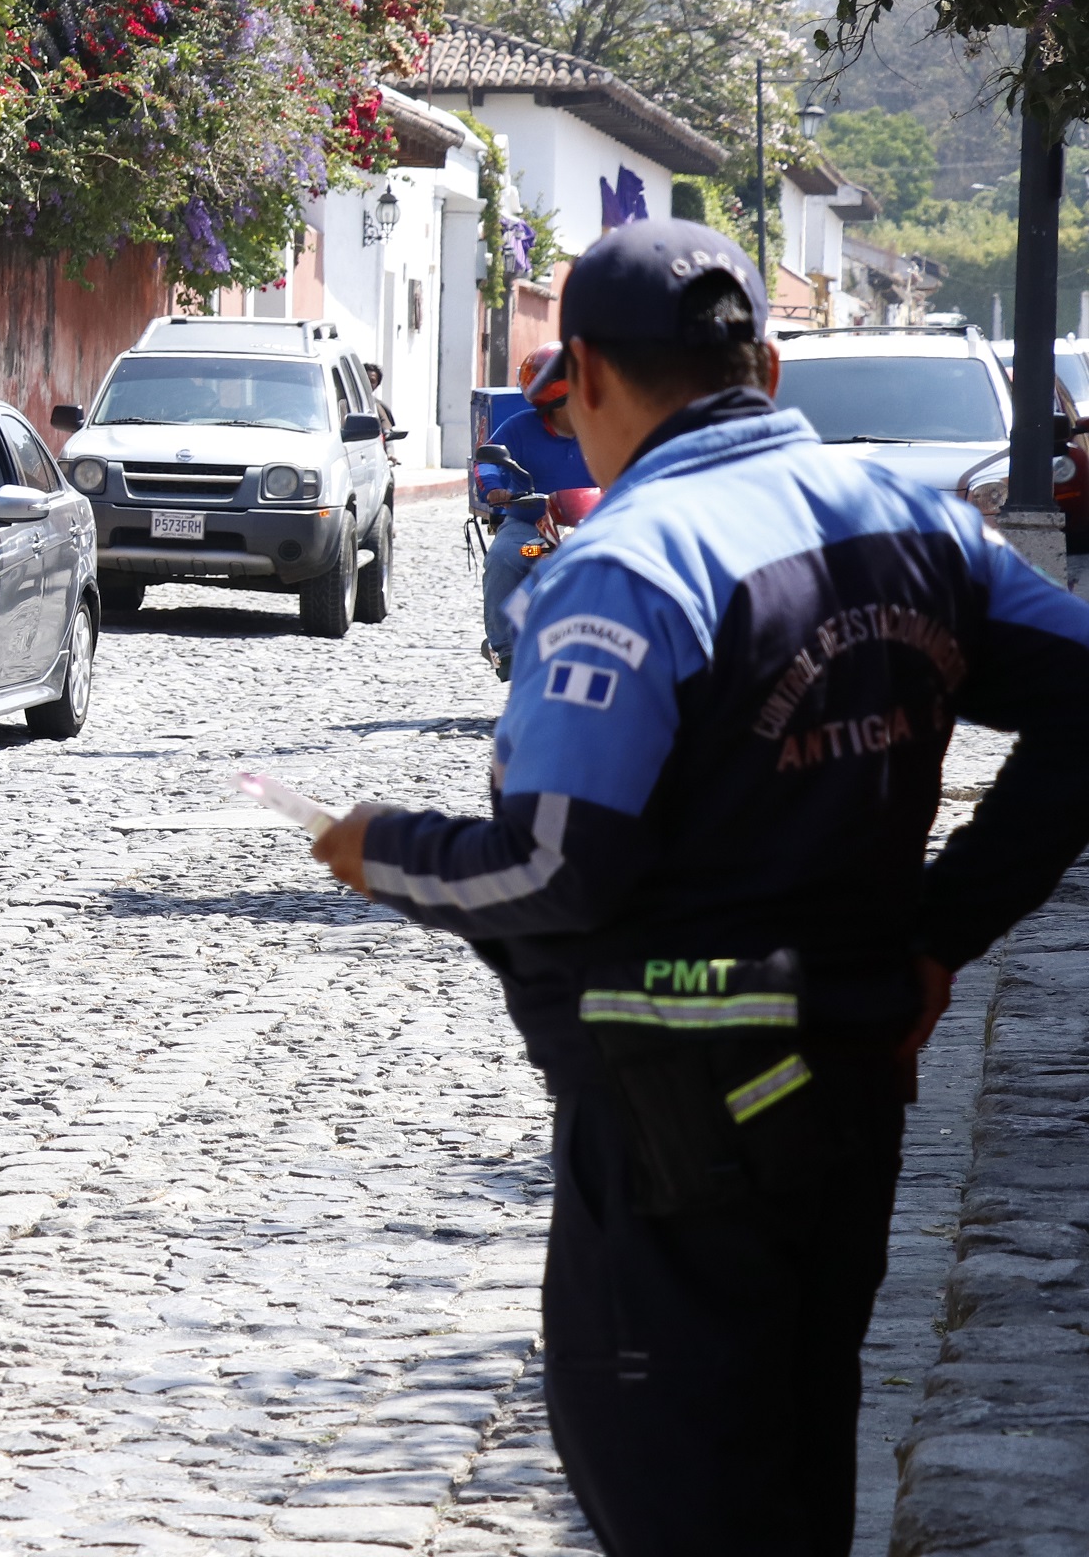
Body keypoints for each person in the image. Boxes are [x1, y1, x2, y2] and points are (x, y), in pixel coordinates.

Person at [308, 219, 1089, 1557]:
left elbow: (559, 862)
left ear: (589, 381)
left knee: (668, 1479)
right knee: (794, 1460)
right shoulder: (913, 526)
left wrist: (380, 848)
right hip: (846, 1073)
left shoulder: (630, 563)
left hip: (678, 1110)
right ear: (767, 370)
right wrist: (944, 932)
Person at [476, 345, 595, 679]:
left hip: (598, 527)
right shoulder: (519, 427)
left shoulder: (605, 426)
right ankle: (506, 649)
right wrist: (495, 488)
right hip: (535, 529)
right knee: (504, 557)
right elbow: (487, 461)